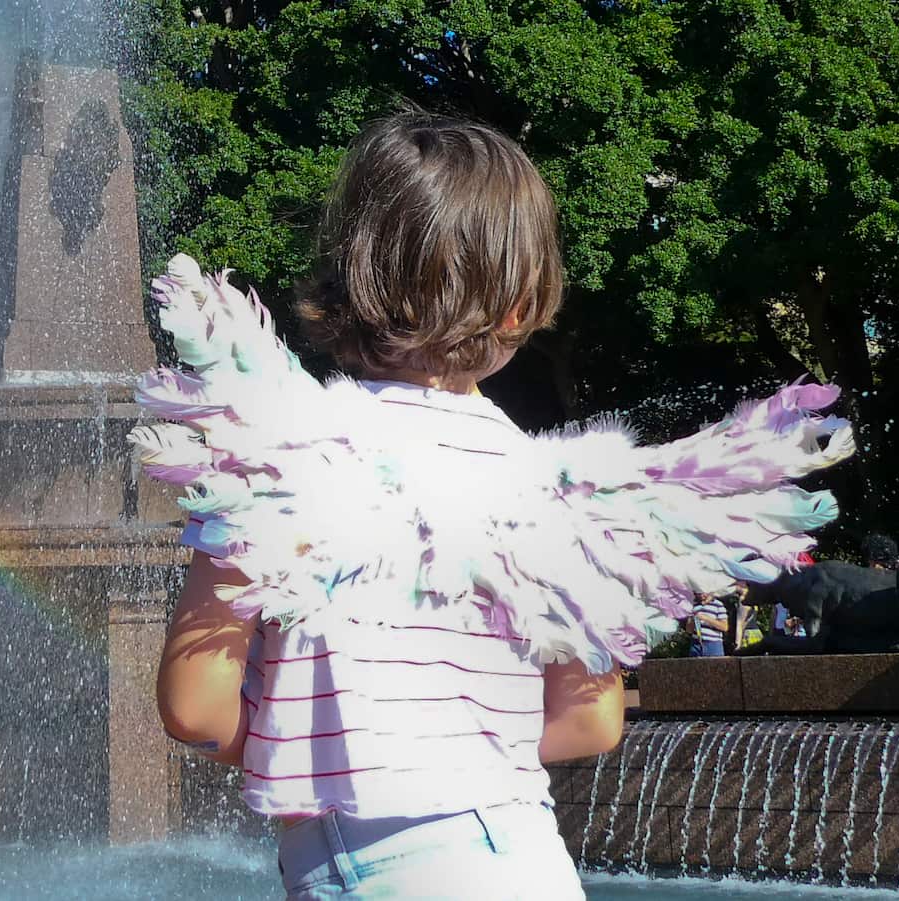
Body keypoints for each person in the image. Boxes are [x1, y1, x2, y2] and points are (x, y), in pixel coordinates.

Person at [156, 115, 618, 899]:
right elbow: (590, 721)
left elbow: (195, 706)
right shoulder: (560, 488)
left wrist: (321, 748)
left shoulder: (280, 454)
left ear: (349, 277)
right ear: (519, 306)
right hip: (530, 859)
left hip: (371, 864)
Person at [689, 593, 729, 657]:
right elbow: (689, 630)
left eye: (703, 593)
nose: (701, 595)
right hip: (696, 643)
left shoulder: (718, 605)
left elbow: (724, 627)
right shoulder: (694, 605)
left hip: (713, 644)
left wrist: (706, 618)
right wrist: (691, 620)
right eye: (699, 593)